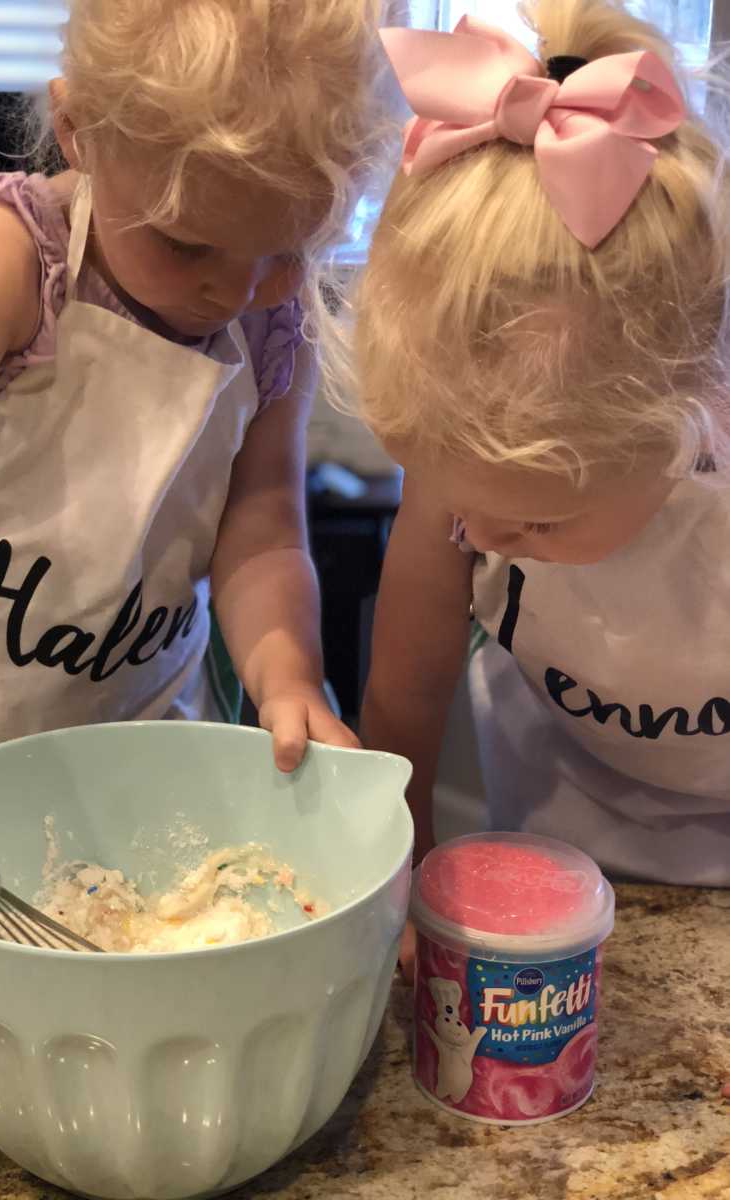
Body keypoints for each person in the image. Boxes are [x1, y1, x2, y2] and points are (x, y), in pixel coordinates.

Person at [0, 0, 394, 876]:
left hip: (146, 753)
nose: (232, 293)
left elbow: (265, 530)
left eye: (286, 250)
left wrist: (288, 677)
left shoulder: (276, 321)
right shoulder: (13, 258)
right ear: (78, 130)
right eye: (183, 245)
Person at [343, 0, 730, 909]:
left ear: (685, 418)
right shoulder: (472, 475)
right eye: (460, 504)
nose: (483, 535)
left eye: (538, 518)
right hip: (559, 835)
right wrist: (394, 864)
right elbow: (404, 697)